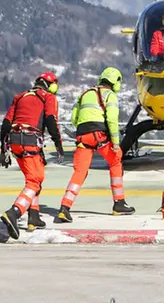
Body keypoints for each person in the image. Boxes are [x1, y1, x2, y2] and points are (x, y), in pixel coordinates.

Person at [54, 67, 135, 223]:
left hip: (83, 136)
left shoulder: (85, 94)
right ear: (115, 81)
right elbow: (111, 120)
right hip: (99, 135)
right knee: (115, 160)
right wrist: (116, 143)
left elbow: (74, 118)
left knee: (80, 172)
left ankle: (65, 208)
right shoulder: (109, 95)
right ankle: (119, 203)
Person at [0, 72, 64, 240]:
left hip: (14, 141)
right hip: (30, 140)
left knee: (36, 176)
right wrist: (58, 143)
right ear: (50, 84)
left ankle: (33, 216)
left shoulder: (20, 97)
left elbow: (6, 124)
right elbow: (50, 120)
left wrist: (3, 150)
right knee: (34, 181)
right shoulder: (48, 97)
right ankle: (14, 212)